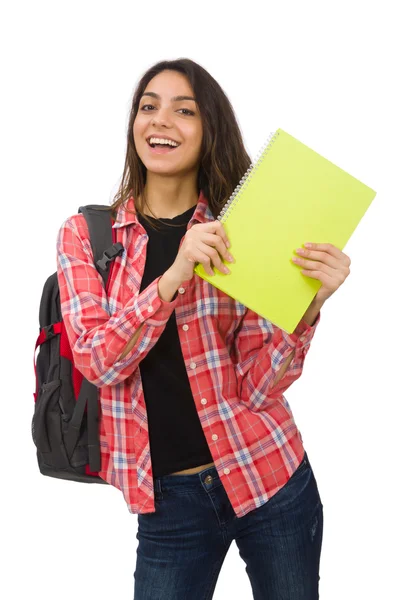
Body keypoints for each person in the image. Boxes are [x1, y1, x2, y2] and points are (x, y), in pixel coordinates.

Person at [56, 58, 351, 599]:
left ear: (208, 129)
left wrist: (307, 309)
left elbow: (259, 387)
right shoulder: (87, 236)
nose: (160, 120)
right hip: (170, 505)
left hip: (269, 475)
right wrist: (175, 274)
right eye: (149, 106)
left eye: (183, 110)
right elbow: (97, 360)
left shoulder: (239, 232)